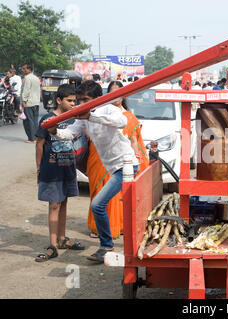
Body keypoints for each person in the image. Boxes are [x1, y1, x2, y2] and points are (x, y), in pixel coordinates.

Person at [45, 80, 139, 264]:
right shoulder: (83, 116)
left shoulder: (109, 109)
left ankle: (106, 247)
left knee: (98, 205)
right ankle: (110, 245)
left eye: (86, 99)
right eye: (79, 100)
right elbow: (69, 134)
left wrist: (91, 117)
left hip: (126, 166)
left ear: (98, 99)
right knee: (110, 206)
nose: (81, 104)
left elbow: (122, 121)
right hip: (112, 168)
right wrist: (54, 131)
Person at [86, 81, 149, 238]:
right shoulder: (97, 112)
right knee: (98, 192)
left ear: (124, 95)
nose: (115, 96)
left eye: (119, 92)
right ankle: (97, 228)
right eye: (112, 92)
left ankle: (117, 227)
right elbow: (88, 134)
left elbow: (134, 141)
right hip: (98, 157)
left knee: (116, 196)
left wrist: (136, 161)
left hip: (120, 160)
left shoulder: (127, 116)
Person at [35, 84, 85, 262]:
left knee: (63, 203)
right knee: (54, 205)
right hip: (52, 169)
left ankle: (62, 239)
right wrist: (39, 167)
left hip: (68, 169)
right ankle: (53, 244)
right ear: (58, 100)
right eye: (69, 100)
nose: (73, 103)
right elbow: (40, 143)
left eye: (74, 100)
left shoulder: (74, 119)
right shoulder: (48, 119)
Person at [21, 63, 41, 143]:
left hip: (28, 102)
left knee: (28, 121)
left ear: (29, 70)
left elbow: (26, 90)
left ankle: (31, 138)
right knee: (34, 121)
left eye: (24, 68)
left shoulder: (27, 78)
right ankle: (35, 137)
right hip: (36, 102)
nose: (23, 70)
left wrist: (23, 101)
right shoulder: (36, 78)